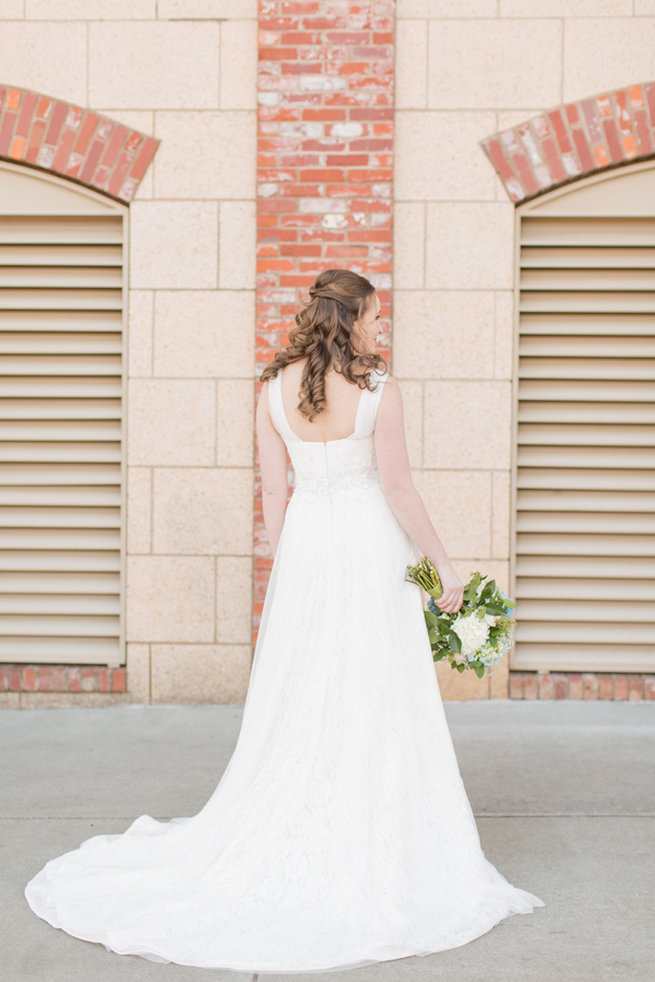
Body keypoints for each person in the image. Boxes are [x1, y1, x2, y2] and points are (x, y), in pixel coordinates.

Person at [24, 267, 544, 973]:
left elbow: (275, 492)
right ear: (351, 319)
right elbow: (396, 487)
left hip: (306, 548)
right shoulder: (378, 391)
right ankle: (370, 829)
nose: (380, 326)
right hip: (366, 546)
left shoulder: (271, 390)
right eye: (375, 315)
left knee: (305, 685)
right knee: (372, 683)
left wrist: (290, 562)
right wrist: (444, 568)